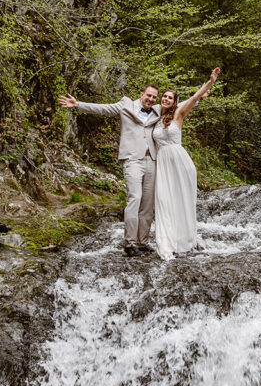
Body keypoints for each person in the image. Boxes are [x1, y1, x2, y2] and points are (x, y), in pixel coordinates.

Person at [58, 84, 161, 256]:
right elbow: (104, 109)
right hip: (132, 159)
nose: (151, 99)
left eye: (154, 97)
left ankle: (143, 242)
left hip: (152, 160)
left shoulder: (158, 110)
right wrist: (78, 105)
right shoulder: (126, 104)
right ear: (141, 94)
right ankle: (130, 243)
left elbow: (178, 107)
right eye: (148, 95)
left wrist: (200, 96)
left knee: (148, 204)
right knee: (134, 198)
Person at [153, 68, 220, 260]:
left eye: (169, 97)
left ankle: (183, 241)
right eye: (163, 96)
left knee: (181, 201)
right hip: (163, 164)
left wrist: (210, 82)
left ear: (174, 102)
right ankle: (167, 242)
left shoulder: (179, 114)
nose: (165, 99)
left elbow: (194, 97)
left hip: (179, 161)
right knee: (164, 201)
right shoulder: (155, 118)